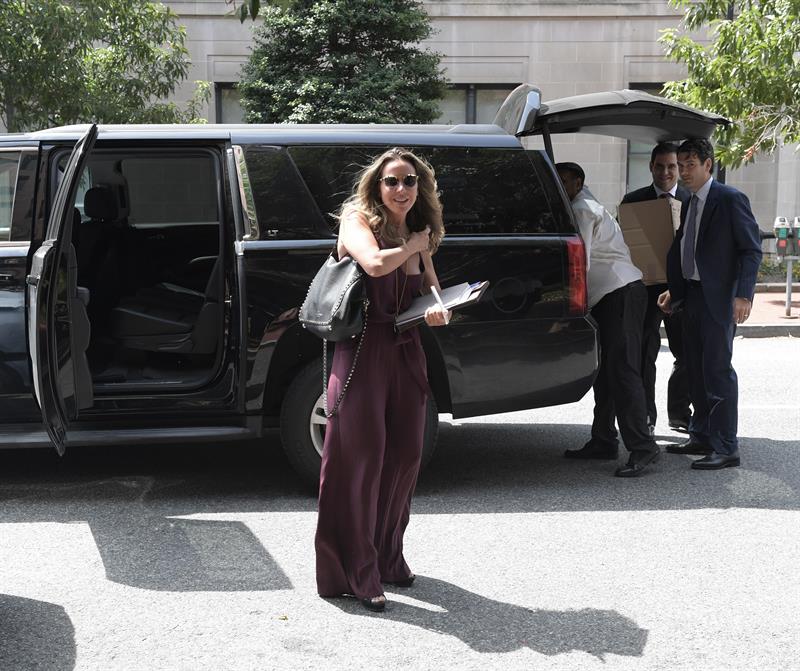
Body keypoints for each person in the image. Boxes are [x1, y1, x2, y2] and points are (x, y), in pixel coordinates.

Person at [315, 147, 449, 612]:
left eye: (410, 181)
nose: (401, 189)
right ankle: (356, 569)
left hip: (407, 350)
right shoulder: (357, 219)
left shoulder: (419, 231)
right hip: (362, 352)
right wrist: (411, 247)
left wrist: (439, 309)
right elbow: (373, 265)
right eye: (392, 181)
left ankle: (389, 555)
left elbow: (431, 286)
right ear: (377, 185)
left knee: (407, 455)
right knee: (361, 458)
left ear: (420, 187)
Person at [658, 138, 762, 469]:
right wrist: (675, 289)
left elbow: (751, 249)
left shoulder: (729, 199)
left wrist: (743, 295)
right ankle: (700, 434)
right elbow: (688, 248)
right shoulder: (689, 202)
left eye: (690, 164)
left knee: (717, 370)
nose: (684, 171)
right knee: (695, 369)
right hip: (691, 295)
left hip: (718, 298)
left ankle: (726, 446)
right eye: (681, 164)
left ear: (708, 165)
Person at [556, 162, 660, 477]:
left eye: (562, 180)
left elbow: (580, 262)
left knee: (624, 372)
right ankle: (603, 440)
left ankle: (643, 447)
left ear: (577, 181)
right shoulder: (580, 204)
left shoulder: (583, 209)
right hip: (611, 296)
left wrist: (570, 310)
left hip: (620, 294)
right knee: (605, 373)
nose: (558, 187)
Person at [621, 143, 692, 433]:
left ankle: (679, 415)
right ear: (650, 167)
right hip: (646, 291)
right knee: (643, 355)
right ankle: (646, 418)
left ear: (680, 168)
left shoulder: (693, 200)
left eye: (672, 166)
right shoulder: (633, 201)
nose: (666, 172)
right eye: (660, 166)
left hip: (682, 291)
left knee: (687, 354)